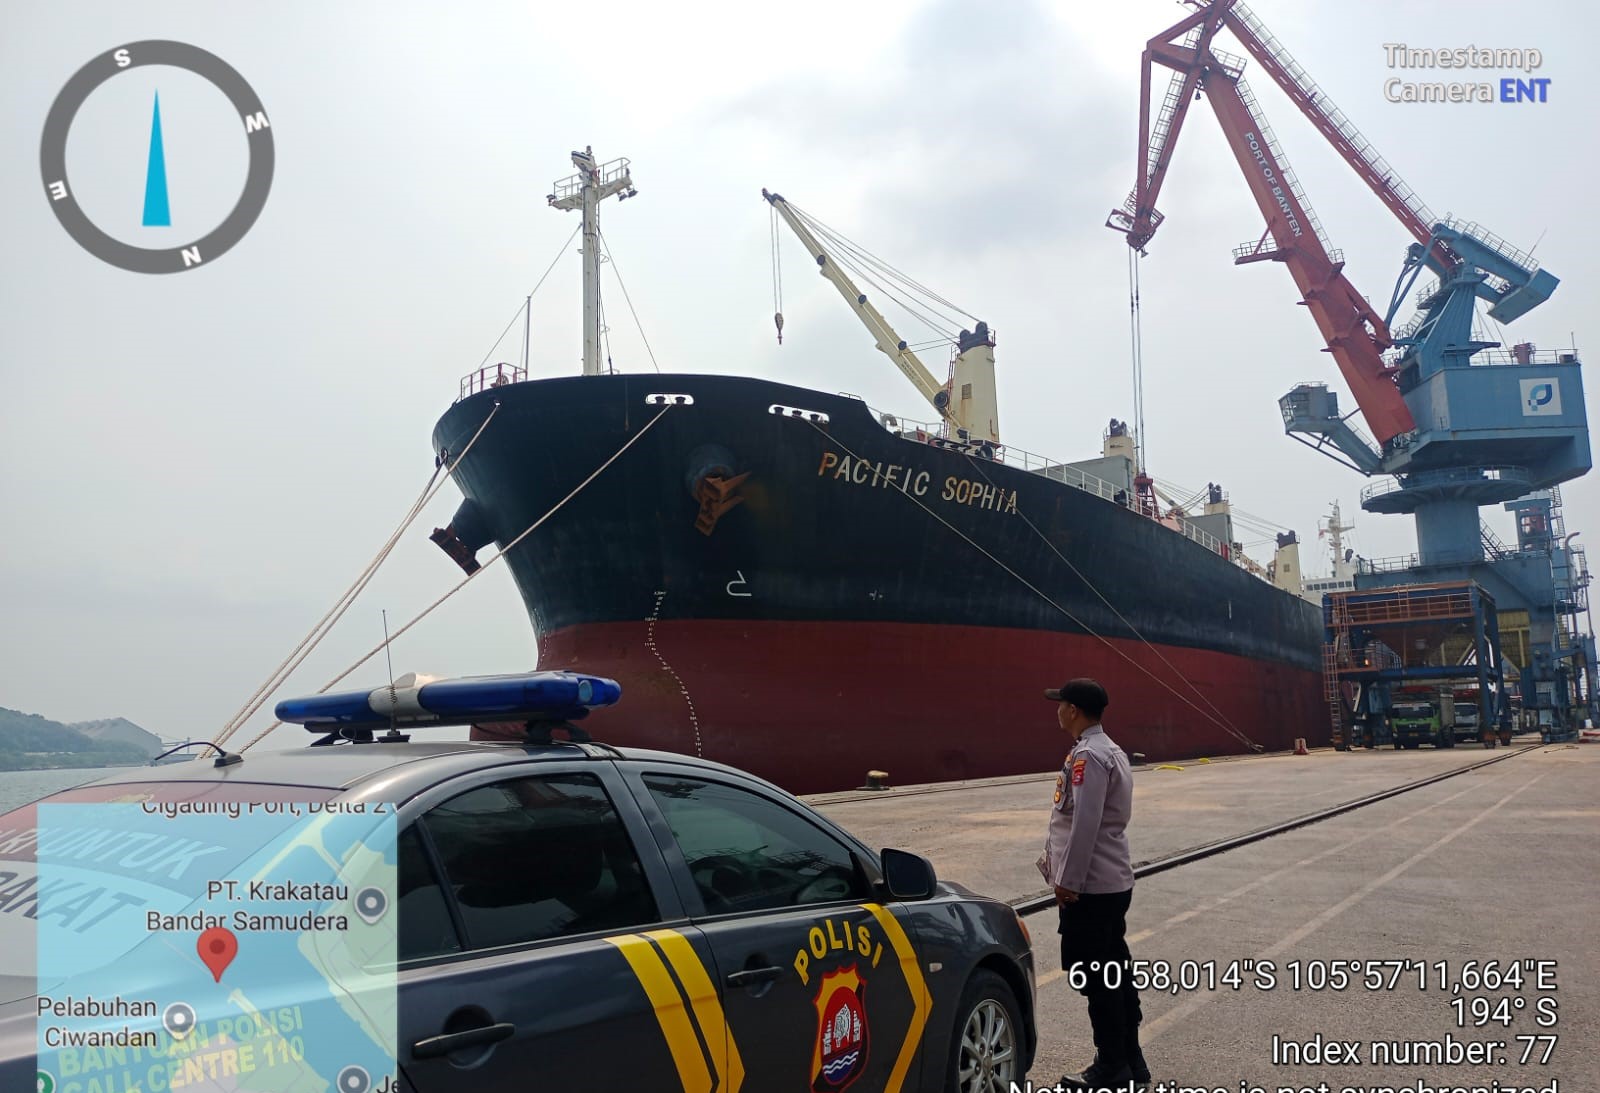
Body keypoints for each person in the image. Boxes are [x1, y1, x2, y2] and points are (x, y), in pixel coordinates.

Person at [1037, 678, 1146, 1091]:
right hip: (1108, 881)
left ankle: (1111, 1066)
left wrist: (1068, 882)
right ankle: (1130, 1059)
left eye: (1060, 704)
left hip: (1091, 887)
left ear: (1074, 710)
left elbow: (1085, 824)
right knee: (1114, 970)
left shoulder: (1088, 757)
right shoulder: (1109, 750)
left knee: (1096, 977)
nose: (1057, 710)